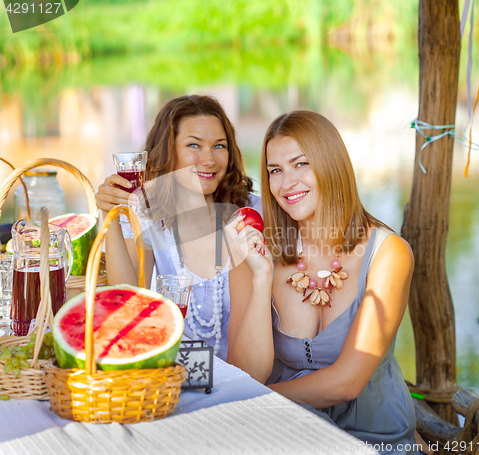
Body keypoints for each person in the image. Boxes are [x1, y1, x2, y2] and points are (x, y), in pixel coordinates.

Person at [226, 110, 422, 454]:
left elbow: (347, 383)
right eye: (275, 170)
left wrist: (250, 403)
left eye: (301, 164)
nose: (286, 183)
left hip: (374, 440)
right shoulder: (254, 253)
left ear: (331, 163)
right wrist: (261, 280)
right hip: (283, 438)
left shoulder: (388, 254)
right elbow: (247, 373)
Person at [96, 95, 261, 361]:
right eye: (193, 145)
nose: (208, 159)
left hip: (243, 374)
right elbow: (127, 297)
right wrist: (111, 217)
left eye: (219, 146)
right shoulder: (147, 213)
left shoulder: (252, 213)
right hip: (174, 375)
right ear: (167, 152)